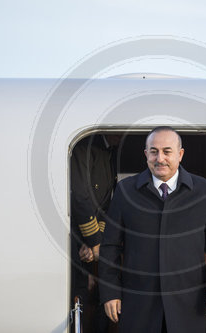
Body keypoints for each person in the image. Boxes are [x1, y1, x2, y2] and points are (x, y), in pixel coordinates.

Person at [99, 126, 206, 333]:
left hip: (188, 305)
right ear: (146, 155)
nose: (160, 158)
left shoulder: (204, 190)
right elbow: (110, 247)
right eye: (154, 151)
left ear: (180, 154)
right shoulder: (126, 191)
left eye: (167, 151)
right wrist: (110, 292)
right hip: (137, 305)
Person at [70, 134, 119, 333]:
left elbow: (106, 204)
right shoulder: (85, 147)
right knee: (78, 298)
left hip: (88, 244)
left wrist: (95, 243)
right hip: (74, 241)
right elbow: (80, 197)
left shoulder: (109, 151)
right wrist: (95, 242)